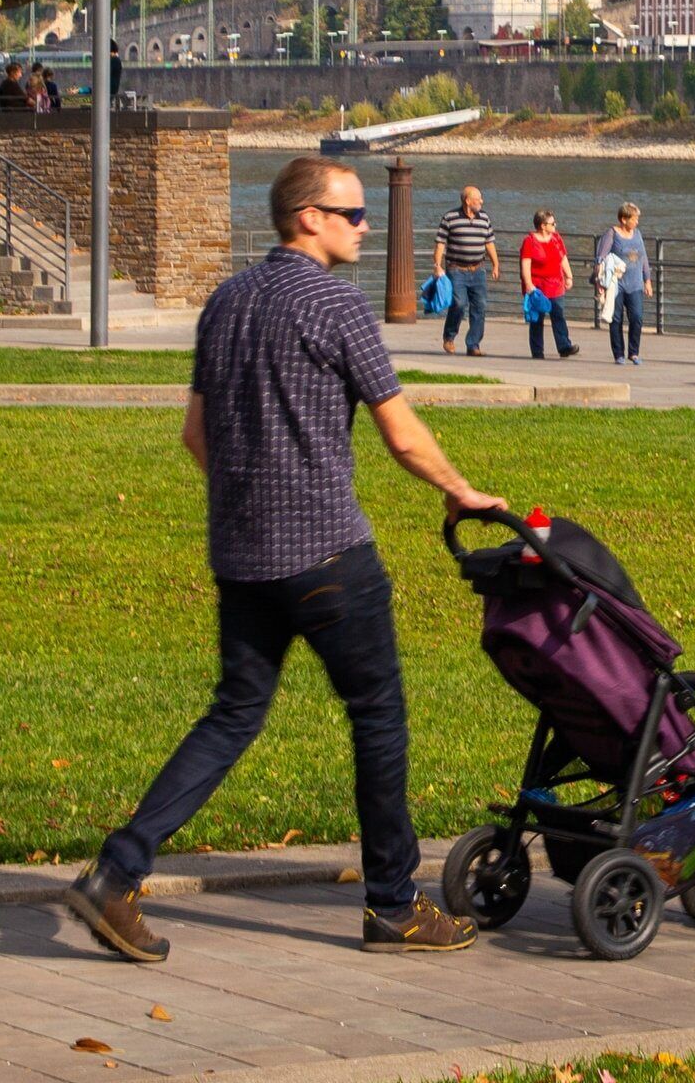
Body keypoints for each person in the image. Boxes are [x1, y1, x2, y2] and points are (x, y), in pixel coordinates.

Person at [68, 155, 503, 963]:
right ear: (308, 216)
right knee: (377, 717)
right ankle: (394, 905)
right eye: (353, 213)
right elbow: (401, 432)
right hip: (331, 555)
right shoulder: (337, 305)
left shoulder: (226, 301)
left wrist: (251, 505)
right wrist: (462, 492)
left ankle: (117, 873)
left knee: (234, 713)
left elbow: (196, 437)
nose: (365, 226)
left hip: (242, 556)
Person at [431, 186, 498, 356]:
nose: (482, 201)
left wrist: (496, 264)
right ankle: (449, 337)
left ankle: (473, 344)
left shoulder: (484, 218)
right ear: (468, 201)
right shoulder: (450, 218)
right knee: (459, 304)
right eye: (478, 198)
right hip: (456, 270)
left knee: (480, 306)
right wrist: (437, 265)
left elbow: (489, 243)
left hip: (478, 269)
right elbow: (440, 243)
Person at [517, 210, 579, 360]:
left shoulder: (556, 239)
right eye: (552, 223)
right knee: (537, 318)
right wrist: (529, 284)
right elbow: (526, 264)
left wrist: (569, 276)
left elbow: (563, 258)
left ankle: (564, 346)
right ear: (543, 226)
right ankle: (537, 351)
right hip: (537, 285)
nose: (555, 225)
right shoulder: (530, 241)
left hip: (556, 283)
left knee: (558, 314)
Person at [597, 203, 653, 366]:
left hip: (635, 283)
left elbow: (643, 258)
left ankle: (634, 352)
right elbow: (601, 257)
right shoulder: (611, 234)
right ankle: (619, 354)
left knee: (637, 317)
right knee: (616, 318)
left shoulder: (637, 234)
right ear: (623, 219)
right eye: (634, 219)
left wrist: (647, 280)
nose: (637, 222)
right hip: (616, 284)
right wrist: (599, 281)